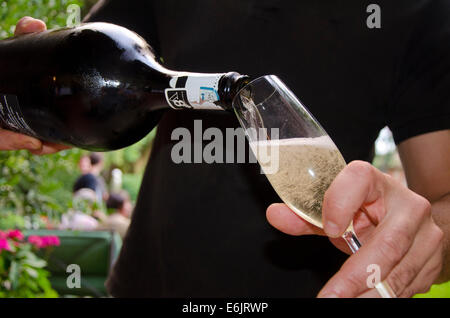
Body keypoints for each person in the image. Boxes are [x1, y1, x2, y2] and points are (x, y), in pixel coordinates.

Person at [4, 0, 450, 299]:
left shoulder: (420, 10)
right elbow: (89, 69)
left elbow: (441, 201)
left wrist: (424, 237)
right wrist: (30, 83)